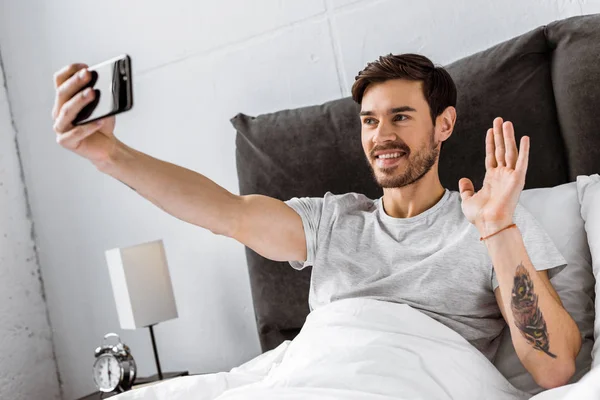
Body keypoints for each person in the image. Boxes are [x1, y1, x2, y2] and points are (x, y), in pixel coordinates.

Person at [52, 53, 581, 390]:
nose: (380, 135)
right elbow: (226, 214)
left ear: (444, 124)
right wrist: (109, 155)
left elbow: (554, 368)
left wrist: (497, 227)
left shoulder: (492, 221)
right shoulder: (335, 220)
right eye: (369, 121)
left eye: (400, 116)